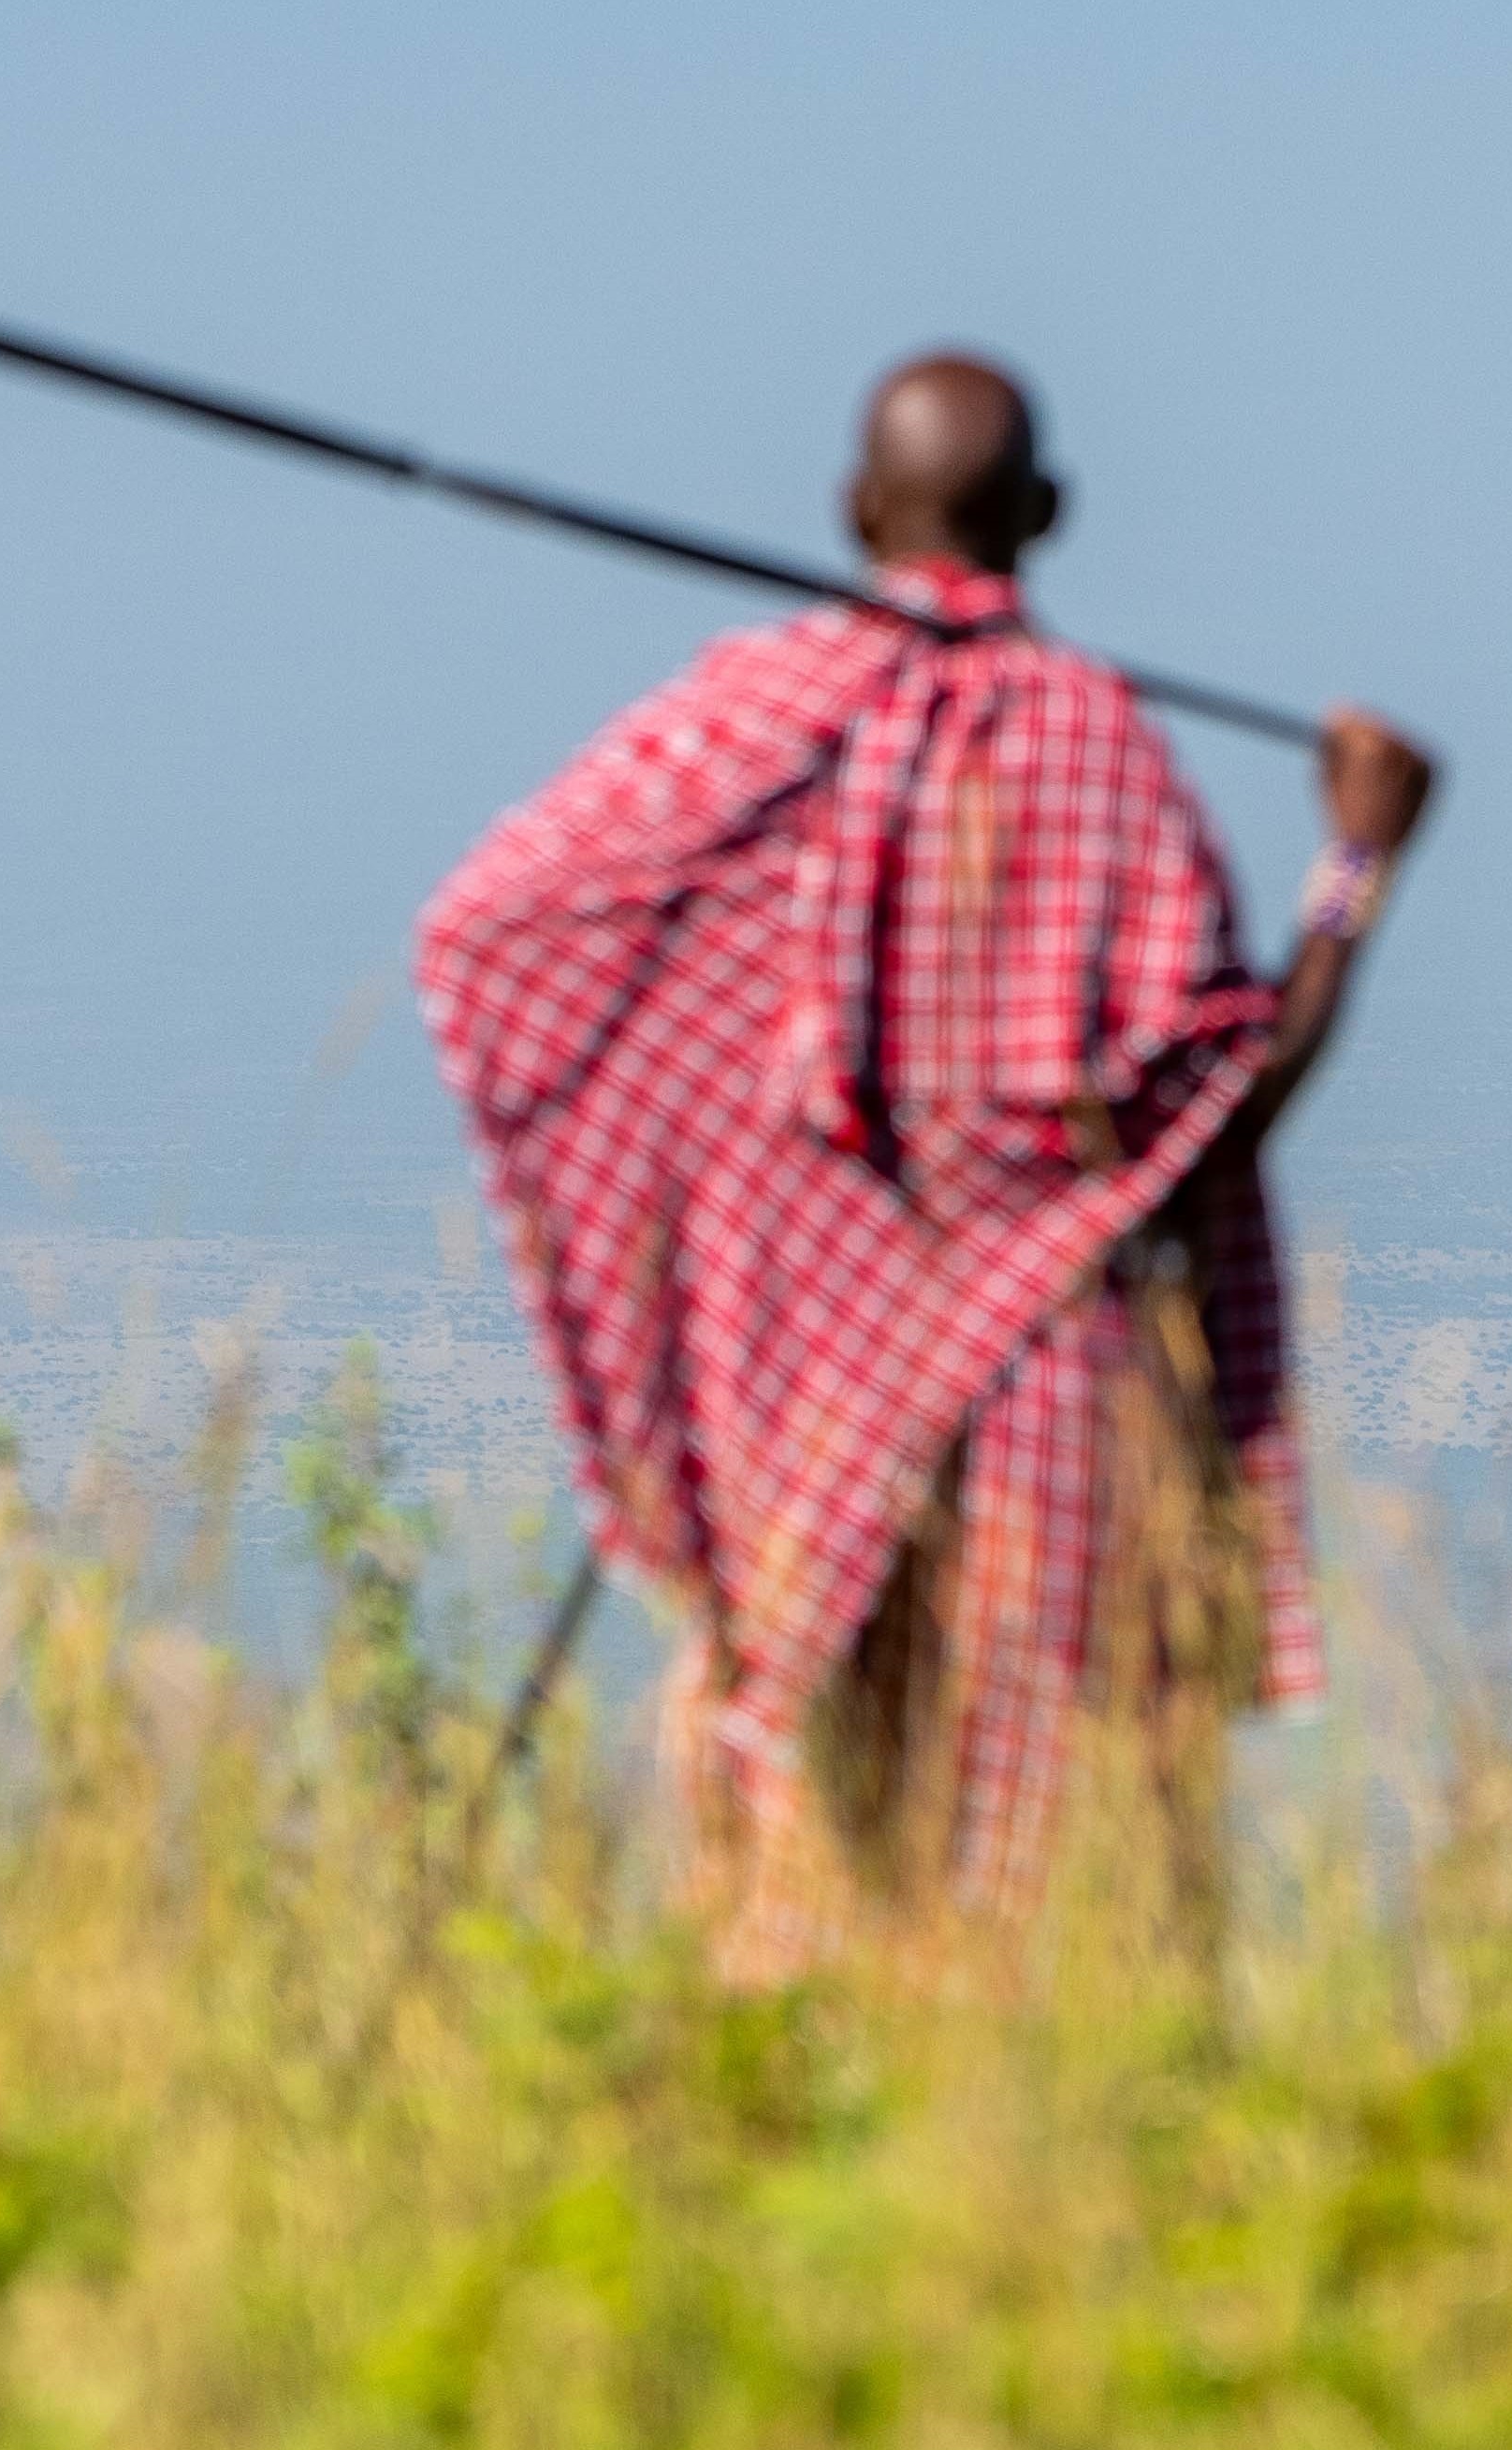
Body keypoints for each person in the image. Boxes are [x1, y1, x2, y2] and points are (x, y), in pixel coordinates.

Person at [416, 351, 1432, 1958]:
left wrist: (713, 1159)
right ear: (1042, 515)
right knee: (1062, 1881)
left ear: (850, 509)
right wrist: (1355, 865)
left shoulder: (745, 725)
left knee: (821, 1839)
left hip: (795, 1380)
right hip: (1056, 1381)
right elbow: (1226, 1102)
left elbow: (495, 930)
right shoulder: (1098, 744)